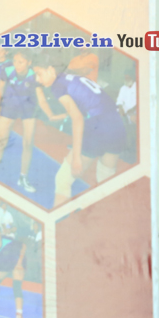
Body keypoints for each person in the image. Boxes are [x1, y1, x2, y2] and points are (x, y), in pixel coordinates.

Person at [33, 55, 125, 207]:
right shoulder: (71, 78)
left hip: (98, 127)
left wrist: (76, 157)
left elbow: (78, 119)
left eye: (39, 74)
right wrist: (64, 115)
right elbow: (89, 103)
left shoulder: (57, 86)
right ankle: (107, 215)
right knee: (106, 177)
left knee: (63, 179)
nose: (37, 79)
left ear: (50, 70)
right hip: (116, 124)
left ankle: (60, 219)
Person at [0, 49, 40, 193]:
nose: (17, 64)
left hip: (28, 108)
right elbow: (0, 90)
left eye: (21, 62)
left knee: (28, 143)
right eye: (15, 61)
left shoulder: (34, 74)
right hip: (10, 106)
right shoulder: (8, 70)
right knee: (1, 142)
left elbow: (40, 95)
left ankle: (23, 178)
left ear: (29, 62)